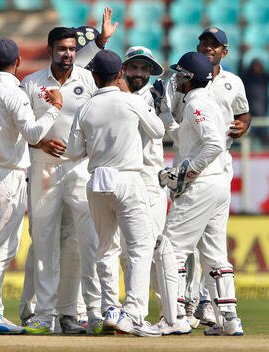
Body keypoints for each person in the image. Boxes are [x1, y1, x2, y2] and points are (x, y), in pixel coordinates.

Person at [18, 12, 118, 334]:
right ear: (50, 50)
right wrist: (41, 143)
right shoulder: (31, 83)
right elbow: (18, 129)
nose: (68, 54)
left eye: (73, 49)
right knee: (44, 241)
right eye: (62, 48)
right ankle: (44, 314)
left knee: (87, 240)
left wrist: (102, 40)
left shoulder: (88, 81)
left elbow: (102, 119)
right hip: (44, 168)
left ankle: (91, 312)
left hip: (79, 167)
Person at [0, 38, 63, 334]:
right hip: (8, 175)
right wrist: (54, 109)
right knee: (3, 248)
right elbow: (33, 134)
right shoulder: (14, 94)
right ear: (18, 62)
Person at [158, 27, 250, 332]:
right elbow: (185, 137)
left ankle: (175, 317)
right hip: (216, 184)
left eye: (180, 75)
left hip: (202, 183)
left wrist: (188, 171)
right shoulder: (201, 101)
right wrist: (165, 115)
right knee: (214, 254)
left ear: (189, 78)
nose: (177, 79)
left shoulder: (197, 103)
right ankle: (230, 320)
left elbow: (212, 144)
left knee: (170, 249)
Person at [67, 49, 164, 337]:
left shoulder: (85, 108)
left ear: (95, 76)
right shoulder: (131, 101)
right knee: (139, 247)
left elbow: (73, 151)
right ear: (119, 74)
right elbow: (158, 131)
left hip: (97, 181)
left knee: (106, 248)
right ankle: (133, 314)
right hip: (128, 179)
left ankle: (109, 308)